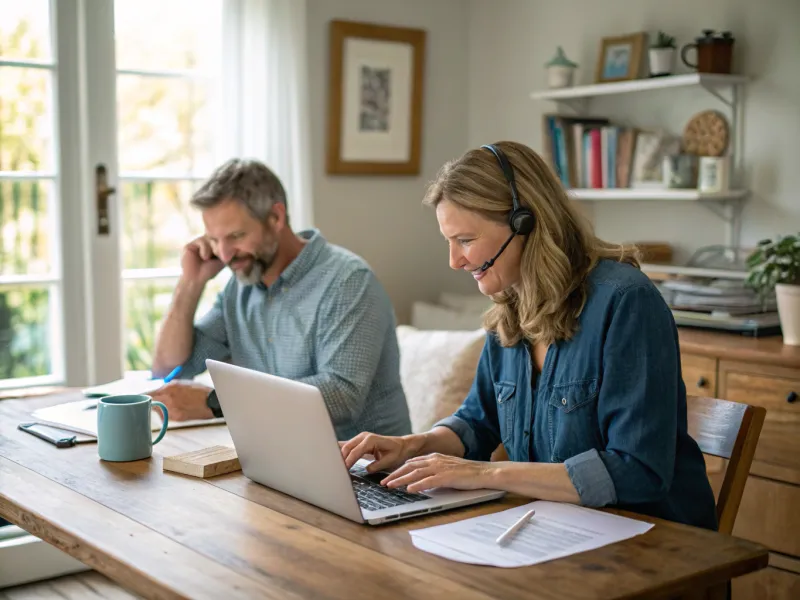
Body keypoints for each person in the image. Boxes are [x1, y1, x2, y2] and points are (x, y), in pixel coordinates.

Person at [340, 141, 718, 530]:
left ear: (526, 222)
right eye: (449, 242)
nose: (455, 261)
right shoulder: (510, 304)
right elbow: (479, 421)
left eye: (466, 240)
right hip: (555, 527)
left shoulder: (627, 303)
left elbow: (638, 471)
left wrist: (484, 475)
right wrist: (411, 445)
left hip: (653, 541)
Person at [149, 158, 412, 441]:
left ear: (276, 218)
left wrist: (217, 402)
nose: (224, 255)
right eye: (214, 240)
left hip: (367, 471)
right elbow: (171, 367)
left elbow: (341, 397)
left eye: (236, 236)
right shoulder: (240, 287)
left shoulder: (348, 281)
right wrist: (191, 282)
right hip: (275, 458)